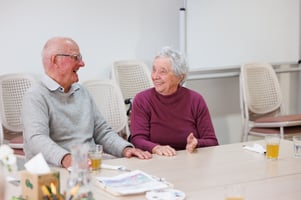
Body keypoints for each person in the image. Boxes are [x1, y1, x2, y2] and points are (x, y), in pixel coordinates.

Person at [22, 36, 152, 169]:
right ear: (56, 60)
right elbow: (36, 139)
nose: (82, 63)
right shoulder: (35, 96)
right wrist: (67, 159)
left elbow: (101, 131)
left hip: (89, 166)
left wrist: (124, 149)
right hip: (55, 171)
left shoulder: (82, 91)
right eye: (76, 57)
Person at [130, 47, 218, 156]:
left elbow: (212, 141)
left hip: (189, 161)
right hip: (155, 160)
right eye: (154, 70)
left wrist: (197, 143)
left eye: (163, 72)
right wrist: (156, 148)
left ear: (179, 77)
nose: (155, 76)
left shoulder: (196, 100)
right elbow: (137, 139)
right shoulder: (142, 100)